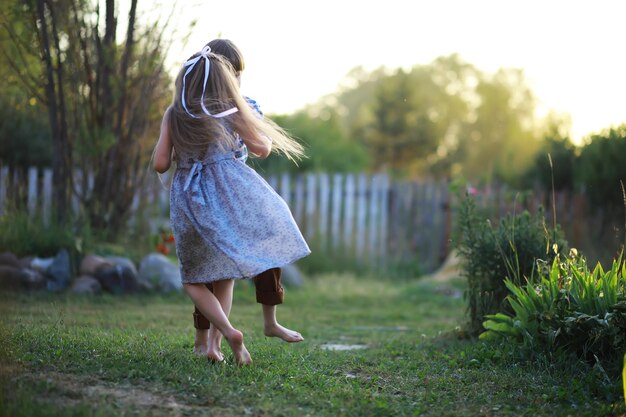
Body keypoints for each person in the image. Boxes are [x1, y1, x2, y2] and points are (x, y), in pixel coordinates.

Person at [152, 44, 311, 365]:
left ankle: (223, 335)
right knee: (224, 276)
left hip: (190, 200)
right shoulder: (231, 110)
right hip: (229, 194)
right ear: (225, 79)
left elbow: (159, 164)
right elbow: (261, 149)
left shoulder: (174, 114)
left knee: (194, 278)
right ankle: (215, 344)